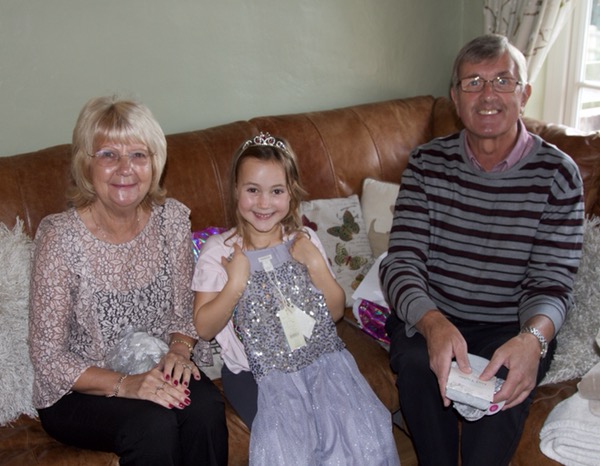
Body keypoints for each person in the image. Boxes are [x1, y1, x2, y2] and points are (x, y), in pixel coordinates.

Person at [379, 34, 585, 466]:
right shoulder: (426, 164)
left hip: (510, 327)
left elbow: (553, 282)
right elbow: (402, 263)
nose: (488, 95)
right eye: (473, 82)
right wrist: (432, 323)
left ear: (524, 95)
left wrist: (532, 340)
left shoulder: (558, 174)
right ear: (456, 98)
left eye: (503, 81)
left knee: (504, 394)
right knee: (416, 366)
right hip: (434, 315)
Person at [28, 96, 228, 466]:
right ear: (86, 164)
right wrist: (126, 385)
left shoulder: (171, 220)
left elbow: (185, 311)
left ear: (155, 163)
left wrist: (178, 351)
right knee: (152, 426)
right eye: (108, 154)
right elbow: (48, 357)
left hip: (156, 365)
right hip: (79, 390)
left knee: (205, 408)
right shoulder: (59, 238)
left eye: (138, 155)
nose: (126, 169)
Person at [192, 132, 400, 465]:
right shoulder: (219, 251)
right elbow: (203, 327)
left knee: (361, 435)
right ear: (235, 190)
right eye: (252, 190)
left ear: (291, 192)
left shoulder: (304, 240)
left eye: (276, 191)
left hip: (318, 364)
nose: (264, 203)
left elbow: (335, 311)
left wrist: (315, 264)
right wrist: (235, 284)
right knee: (291, 448)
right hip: (254, 374)